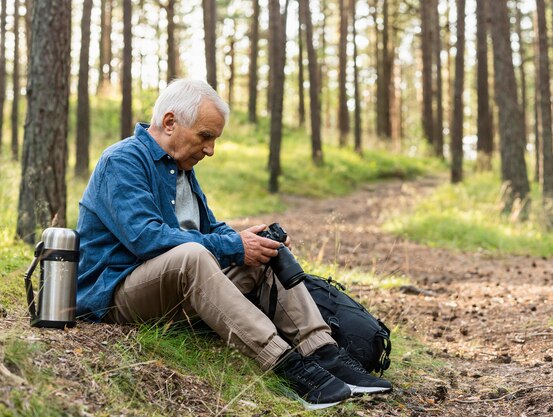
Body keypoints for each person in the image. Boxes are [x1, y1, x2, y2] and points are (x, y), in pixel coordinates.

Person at [76, 78, 391, 409]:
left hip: (170, 286)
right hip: (115, 293)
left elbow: (208, 227)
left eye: (214, 139)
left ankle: (324, 353)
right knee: (194, 256)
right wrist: (232, 246)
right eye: (205, 136)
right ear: (170, 123)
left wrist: (253, 242)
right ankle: (287, 368)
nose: (210, 149)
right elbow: (147, 239)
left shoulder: (181, 168)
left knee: (262, 255)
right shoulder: (122, 161)